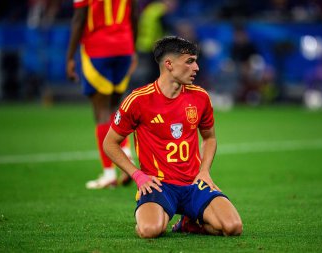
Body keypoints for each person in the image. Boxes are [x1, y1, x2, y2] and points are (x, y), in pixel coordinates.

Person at [104, 36, 243, 238]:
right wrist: (138, 175)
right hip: (158, 185)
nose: (196, 67)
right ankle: (174, 216)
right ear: (168, 64)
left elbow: (209, 138)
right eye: (189, 61)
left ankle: (189, 223)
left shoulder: (201, 97)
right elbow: (110, 143)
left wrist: (204, 171)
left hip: (194, 183)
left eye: (196, 61)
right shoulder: (138, 100)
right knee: (150, 230)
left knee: (233, 227)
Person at [66, 0, 137, 189]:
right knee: (116, 107)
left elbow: (79, 19)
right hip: (124, 47)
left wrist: (70, 57)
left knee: (101, 111)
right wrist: (133, 50)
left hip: (97, 49)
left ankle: (109, 174)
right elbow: (134, 15)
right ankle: (126, 153)